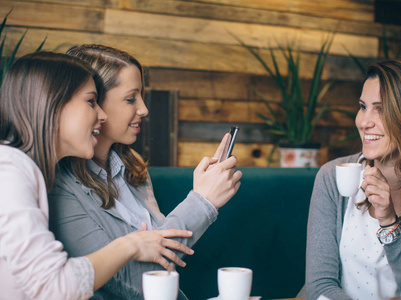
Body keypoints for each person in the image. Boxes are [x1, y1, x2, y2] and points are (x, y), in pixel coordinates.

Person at [48, 44, 242, 299]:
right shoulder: (60, 185)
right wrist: (202, 202)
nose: (144, 109)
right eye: (131, 98)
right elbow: (134, 282)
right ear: (94, 102)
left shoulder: (131, 166)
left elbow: (162, 259)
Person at [0, 52, 194, 300]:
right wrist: (130, 244)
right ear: (52, 104)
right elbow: (52, 285)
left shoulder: (27, 170)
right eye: (91, 102)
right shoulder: (8, 169)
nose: (101, 115)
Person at [303, 59, 401, 300]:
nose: (364, 121)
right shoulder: (331, 177)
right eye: (363, 106)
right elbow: (320, 285)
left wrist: (389, 222)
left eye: (381, 109)